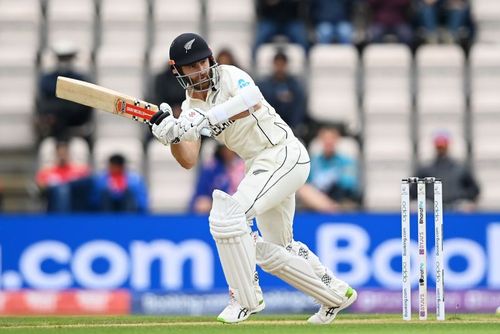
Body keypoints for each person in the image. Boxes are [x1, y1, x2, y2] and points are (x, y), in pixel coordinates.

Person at [149, 33, 356, 324]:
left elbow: (251, 101)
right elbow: (189, 159)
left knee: (228, 217)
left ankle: (244, 299)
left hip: (282, 153)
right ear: (178, 71)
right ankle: (335, 294)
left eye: (202, 62)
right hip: (258, 164)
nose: (200, 70)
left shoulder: (231, 76)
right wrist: (170, 134)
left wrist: (206, 120)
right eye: (191, 66)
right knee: (277, 250)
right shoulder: (192, 107)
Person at [35, 41, 93, 142]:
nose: (64, 61)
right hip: (53, 120)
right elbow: (45, 97)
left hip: (75, 118)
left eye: (67, 57)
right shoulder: (47, 78)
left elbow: (83, 100)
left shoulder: (80, 77)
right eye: (61, 58)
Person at [297, 125, 360, 212]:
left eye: (332, 139)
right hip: (317, 198)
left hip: (339, 197)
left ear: (337, 141)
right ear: (320, 140)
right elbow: (307, 183)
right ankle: (332, 209)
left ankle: (330, 209)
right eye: (325, 139)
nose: (329, 142)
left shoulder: (346, 162)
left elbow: (349, 185)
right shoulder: (313, 162)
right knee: (304, 190)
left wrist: (332, 181)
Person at [414, 132, 480, 211]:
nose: (441, 150)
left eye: (443, 147)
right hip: (432, 206)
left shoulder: (460, 168)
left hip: (455, 206)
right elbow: (414, 190)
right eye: (439, 147)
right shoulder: (426, 169)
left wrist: (464, 198)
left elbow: (474, 189)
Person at [258, 50, 307, 136]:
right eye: (277, 64)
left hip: (290, 126)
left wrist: (293, 126)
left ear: (286, 65)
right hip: (269, 125)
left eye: (282, 64)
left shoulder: (295, 85)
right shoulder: (264, 84)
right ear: (274, 64)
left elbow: (299, 107)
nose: (279, 67)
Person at [36, 140, 91, 212]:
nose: (62, 156)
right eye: (60, 153)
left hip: (76, 202)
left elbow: (89, 183)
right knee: (62, 190)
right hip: (54, 201)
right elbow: (40, 186)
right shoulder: (46, 172)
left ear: (69, 153)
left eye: (64, 153)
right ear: (56, 154)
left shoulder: (81, 171)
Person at [190, 144, 245, 213]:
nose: (227, 151)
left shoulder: (245, 165)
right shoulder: (210, 168)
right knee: (202, 204)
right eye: (224, 148)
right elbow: (201, 194)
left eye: (229, 147)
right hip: (217, 209)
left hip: (241, 207)